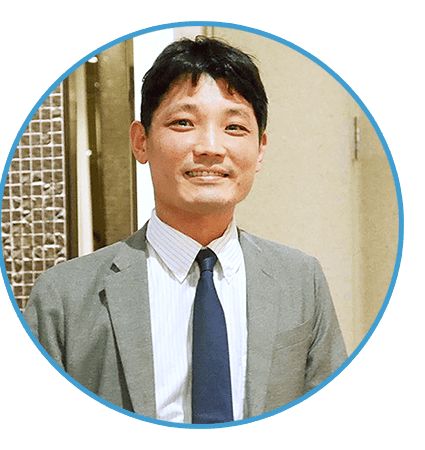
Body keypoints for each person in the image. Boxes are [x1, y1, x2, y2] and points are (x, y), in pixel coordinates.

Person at [24, 36, 347, 424]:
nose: (210, 147)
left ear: (260, 149)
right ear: (141, 141)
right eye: (183, 123)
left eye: (234, 126)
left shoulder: (301, 281)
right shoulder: (63, 298)